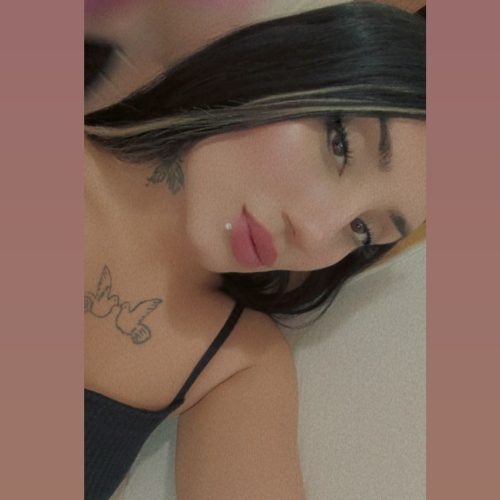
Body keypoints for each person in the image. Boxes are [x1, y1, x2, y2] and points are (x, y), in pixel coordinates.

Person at [84, 2, 426, 499]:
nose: (315, 231)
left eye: (361, 229)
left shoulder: (238, 361)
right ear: (280, 66)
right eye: (339, 145)